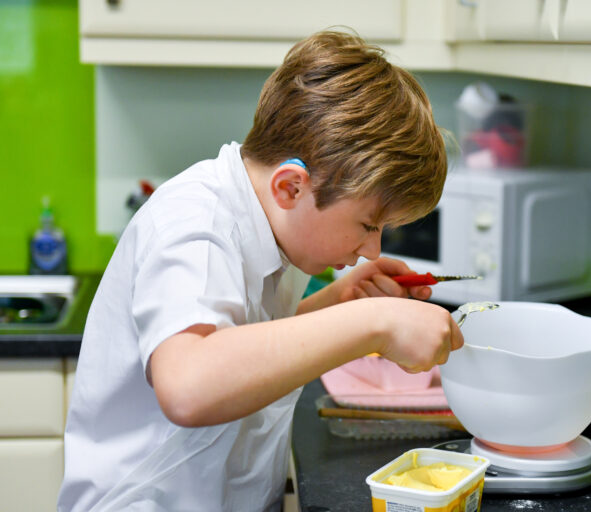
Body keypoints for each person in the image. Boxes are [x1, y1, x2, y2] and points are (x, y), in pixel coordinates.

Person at [58, 29, 463, 512]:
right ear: (291, 187)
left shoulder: (276, 225)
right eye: (367, 224)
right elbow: (189, 384)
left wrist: (335, 302)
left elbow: (244, 340)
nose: (372, 250)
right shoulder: (196, 224)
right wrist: (375, 323)